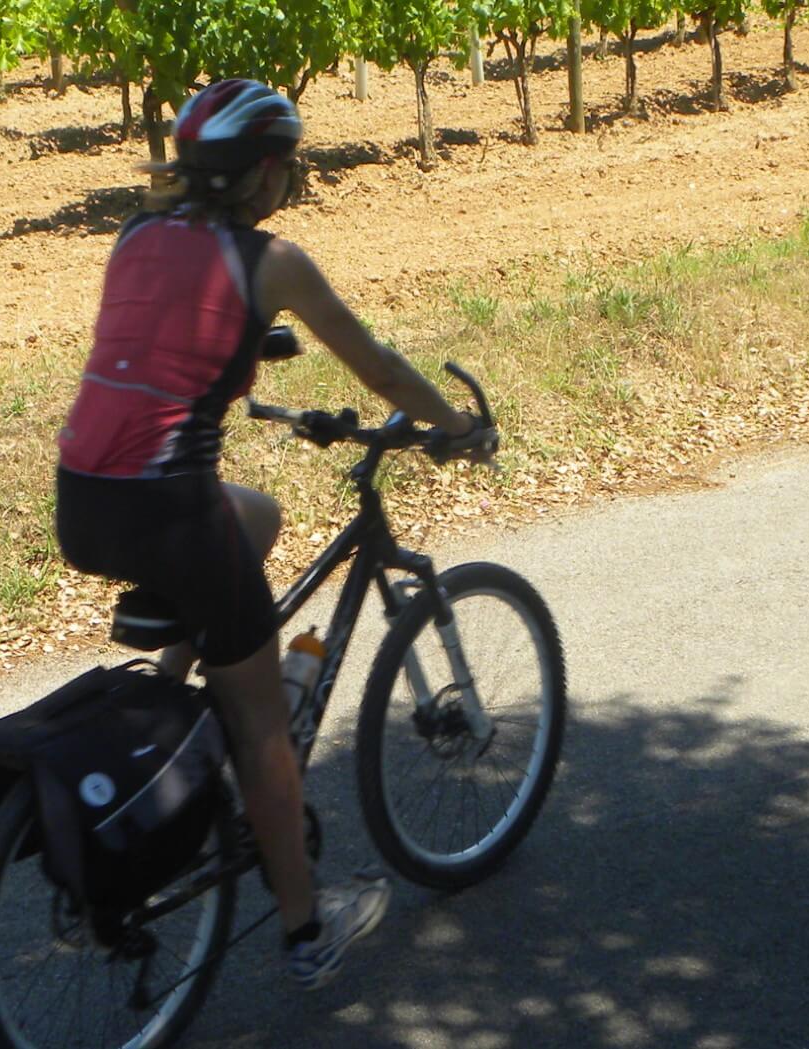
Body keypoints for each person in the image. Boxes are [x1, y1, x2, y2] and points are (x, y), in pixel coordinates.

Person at [53, 79, 491, 989]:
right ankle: (306, 928)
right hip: (168, 509)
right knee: (264, 729)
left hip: (84, 500)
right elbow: (378, 366)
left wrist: (256, 349)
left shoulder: (136, 234)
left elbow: (170, 338)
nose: (292, 174)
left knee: (256, 516)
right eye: (287, 160)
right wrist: (453, 425)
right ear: (263, 171)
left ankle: (168, 721)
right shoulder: (276, 261)